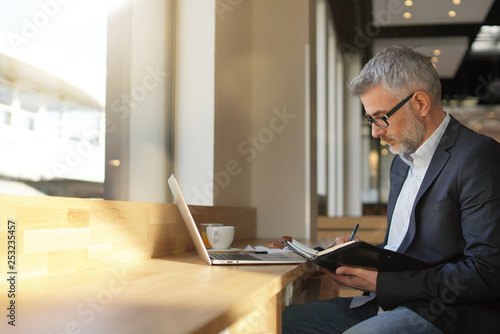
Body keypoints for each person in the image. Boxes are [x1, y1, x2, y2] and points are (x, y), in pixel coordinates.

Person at [282, 45, 500, 334]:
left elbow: (487, 272)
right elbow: (406, 251)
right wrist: (358, 254)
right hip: (391, 301)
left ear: (420, 103)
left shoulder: (477, 156)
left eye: (381, 117)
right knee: (281, 323)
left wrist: (381, 283)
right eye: (370, 119)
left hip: (446, 313)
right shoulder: (401, 165)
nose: (375, 131)